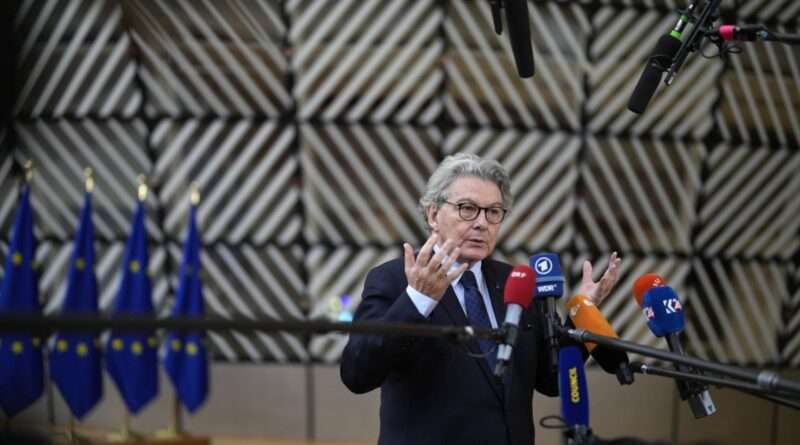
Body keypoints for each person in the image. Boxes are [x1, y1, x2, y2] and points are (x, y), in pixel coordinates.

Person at [340, 153, 621, 445]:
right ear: (433, 215)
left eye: (493, 212)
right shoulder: (394, 279)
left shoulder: (518, 283)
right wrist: (417, 300)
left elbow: (551, 380)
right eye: (467, 209)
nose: (482, 223)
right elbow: (357, 374)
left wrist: (582, 312)